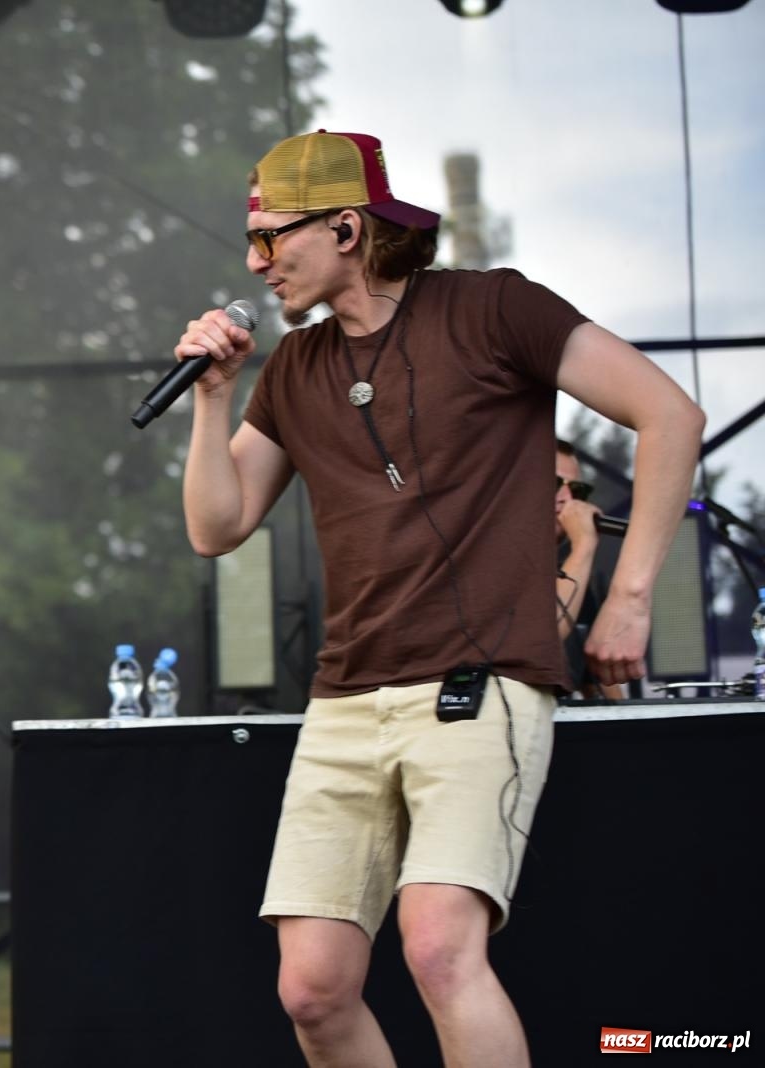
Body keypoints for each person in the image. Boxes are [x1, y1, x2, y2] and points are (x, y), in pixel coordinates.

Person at [177, 130, 703, 1067]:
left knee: (436, 945)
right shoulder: (295, 369)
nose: (255, 263)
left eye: (271, 238)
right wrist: (213, 400)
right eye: (250, 243)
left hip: (481, 683)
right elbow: (217, 528)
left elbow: (671, 414)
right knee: (312, 987)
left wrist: (629, 599)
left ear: (346, 227)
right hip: (345, 697)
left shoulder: (495, 309)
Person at [554, 438, 625, 699]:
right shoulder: (492, 564)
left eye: (577, 490)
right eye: (553, 484)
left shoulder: (573, 575)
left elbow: (600, 684)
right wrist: (584, 544)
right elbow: (545, 632)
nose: (568, 499)